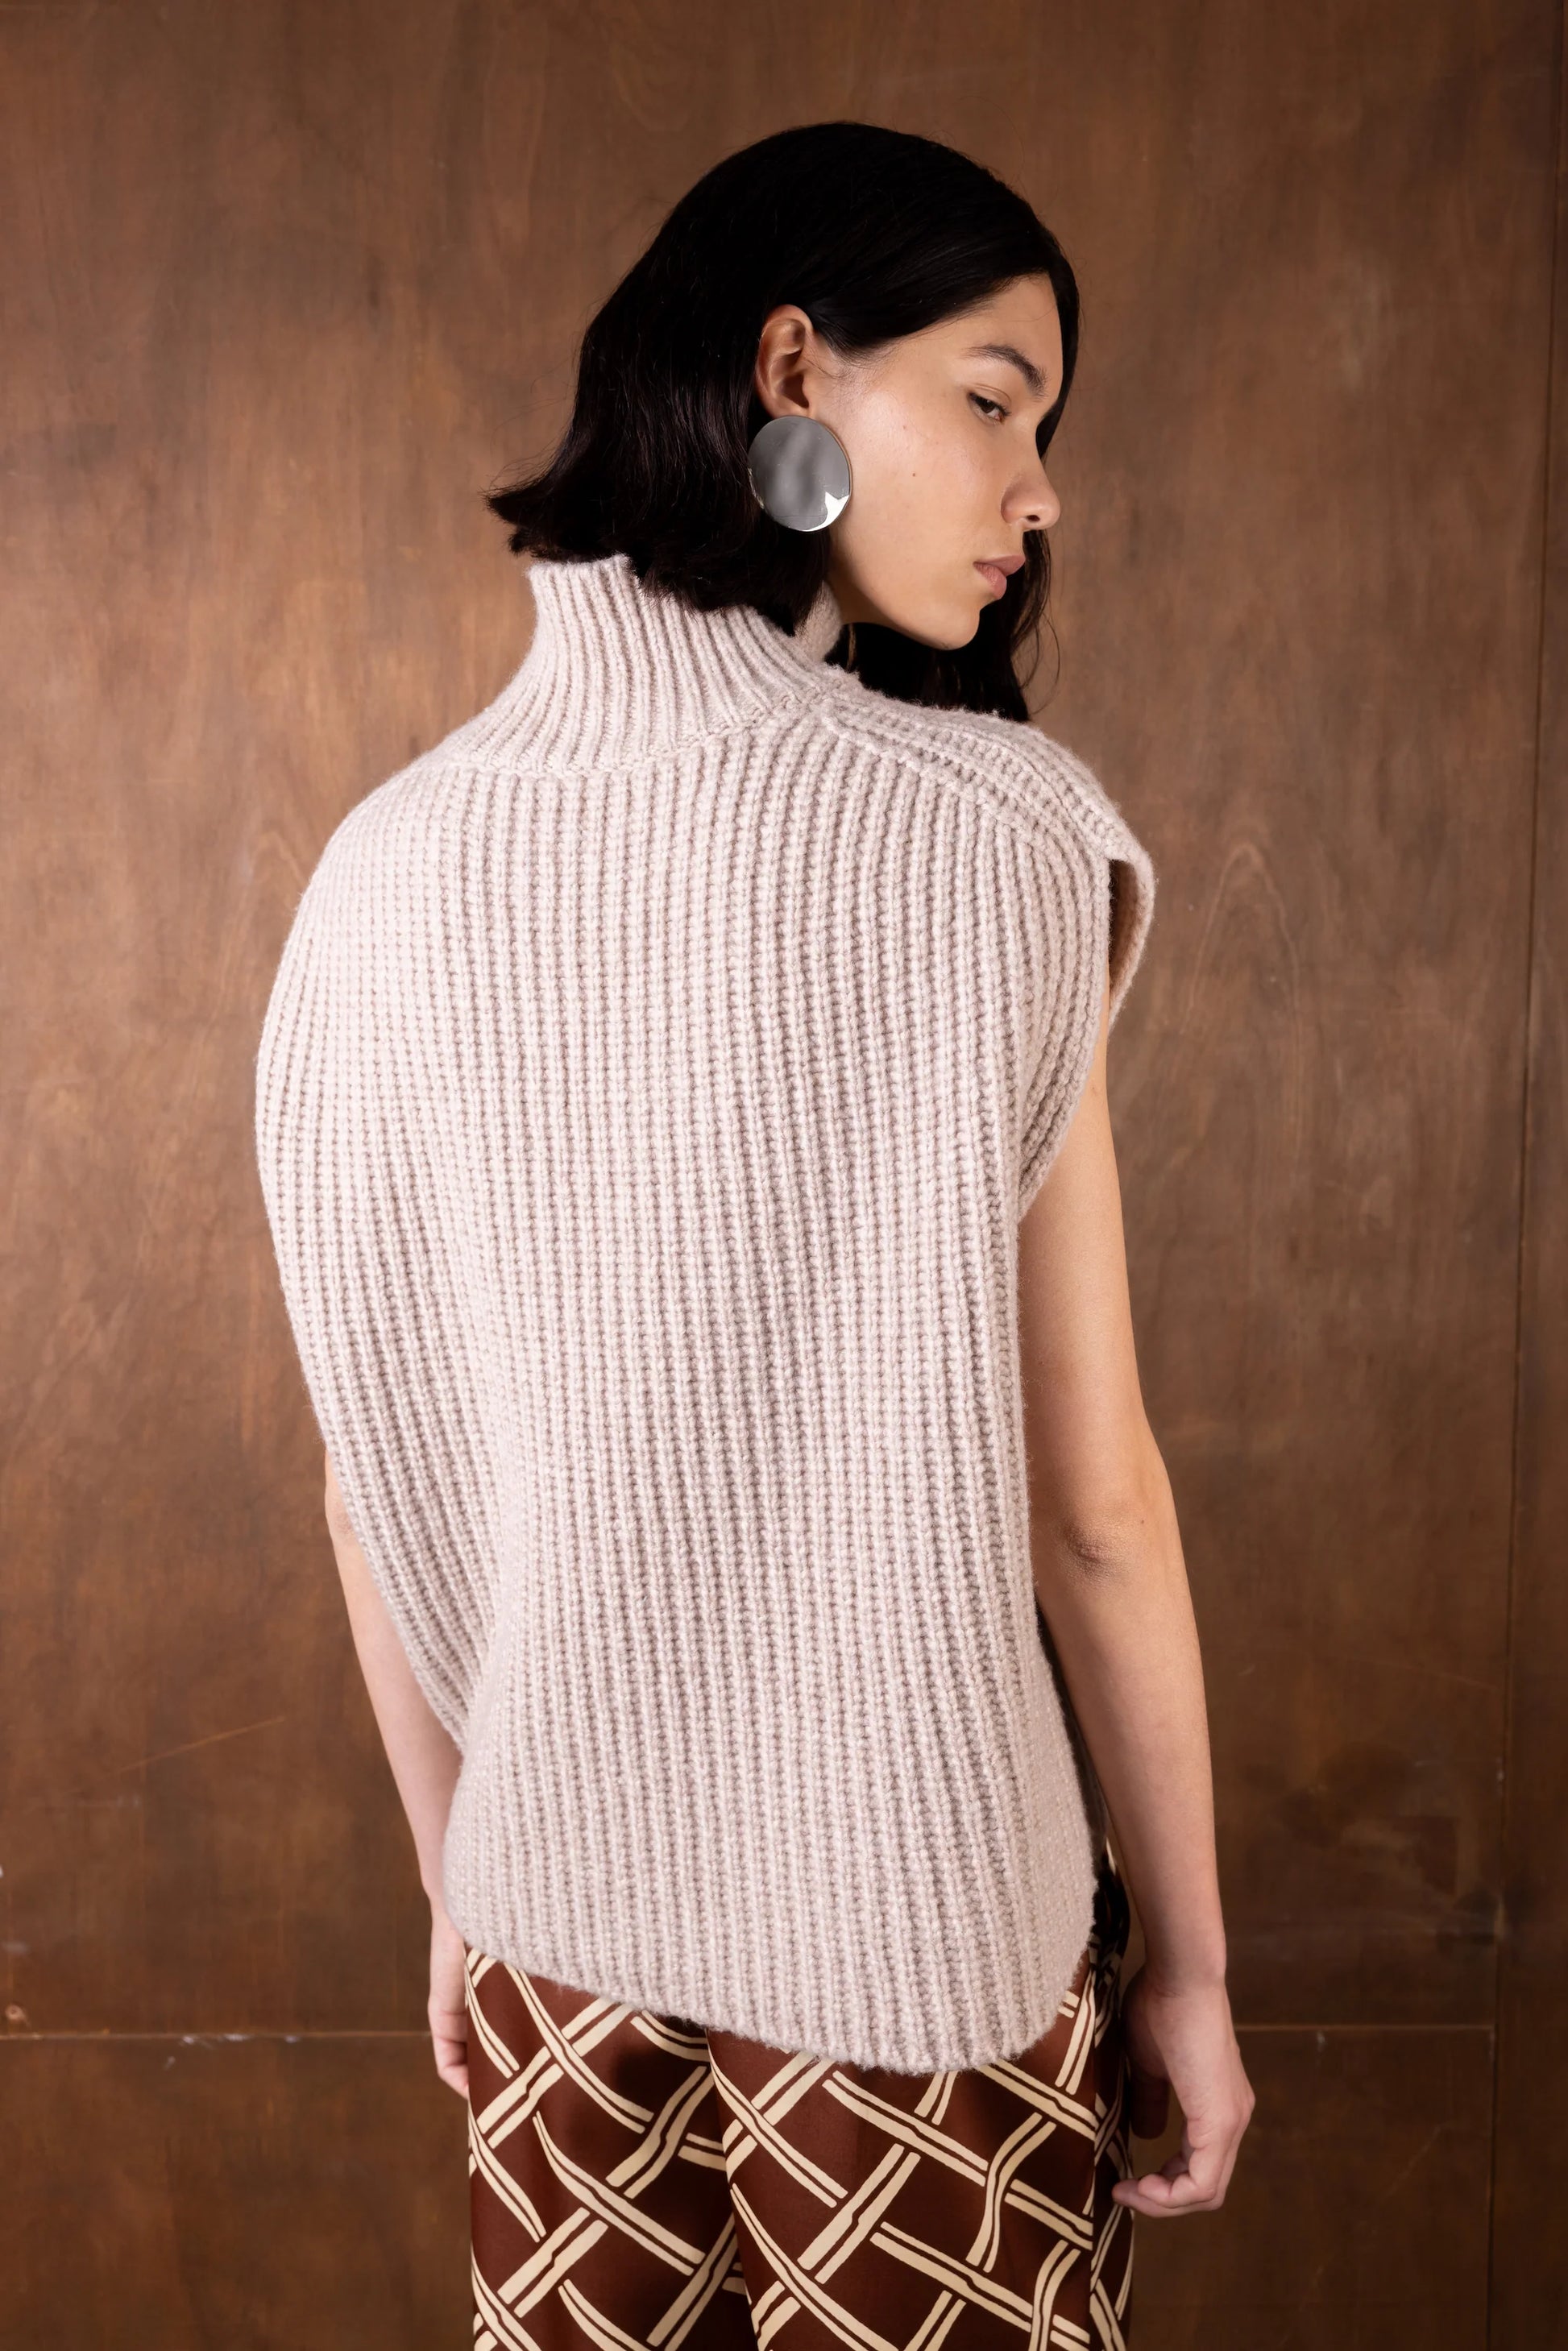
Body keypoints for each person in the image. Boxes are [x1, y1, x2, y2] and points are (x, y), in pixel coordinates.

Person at [257, 119, 1254, 2349]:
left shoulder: (381, 873)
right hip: (921, 1970)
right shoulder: (989, 839)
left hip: (539, 1961)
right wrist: (1182, 1969)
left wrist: (462, 1884)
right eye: (995, 398)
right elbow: (1088, 1511)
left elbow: (374, 1470)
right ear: (792, 364)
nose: (1038, 490)